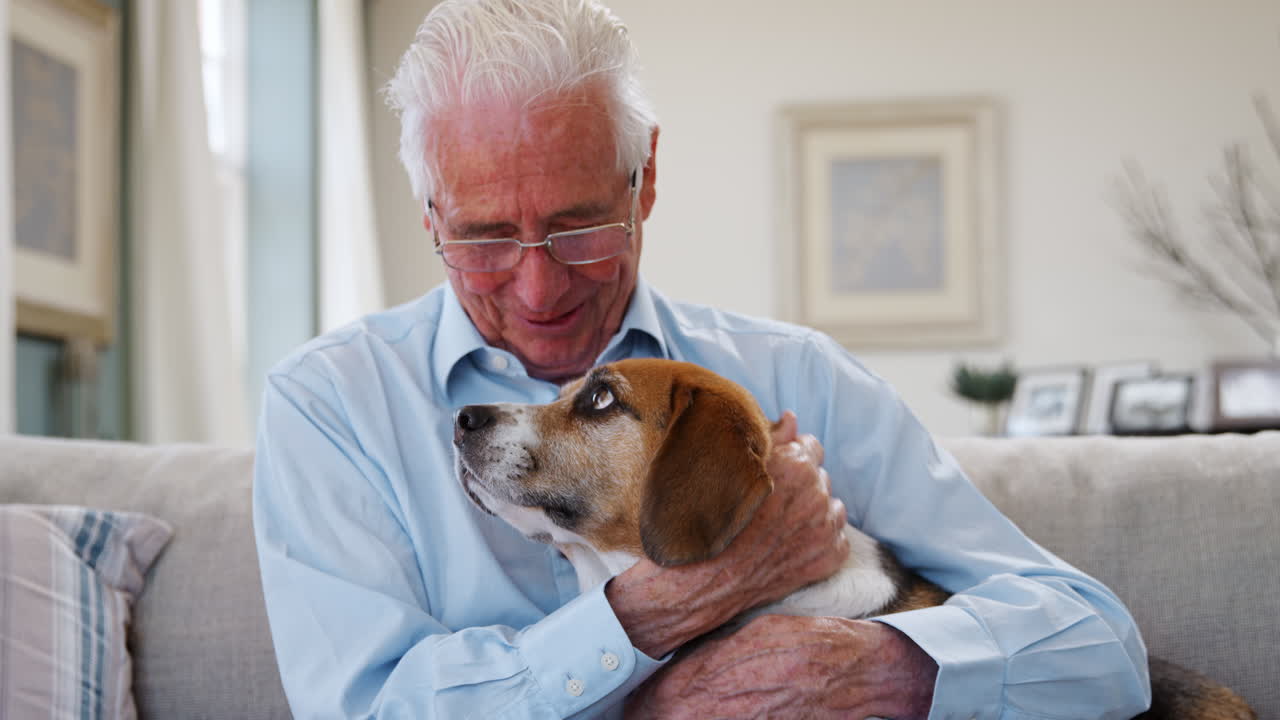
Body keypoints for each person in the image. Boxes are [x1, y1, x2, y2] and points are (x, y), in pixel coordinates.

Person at [252, 1, 1151, 717]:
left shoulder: (796, 380)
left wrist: (867, 670)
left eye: (579, 229)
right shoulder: (330, 406)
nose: (536, 290)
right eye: (485, 239)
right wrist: (677, 604)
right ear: (431, 220)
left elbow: (1099, 646)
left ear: (645, 182)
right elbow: (370, 710)